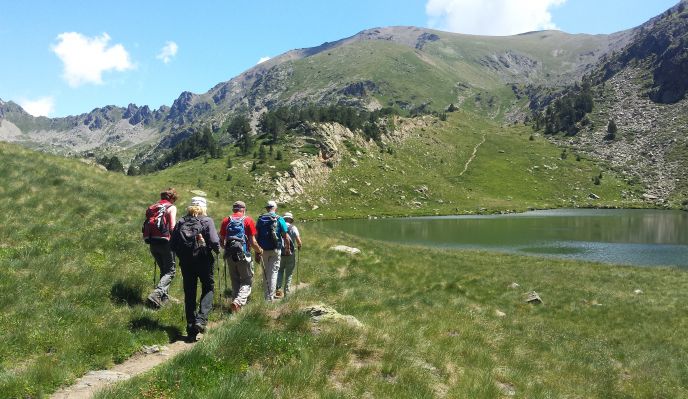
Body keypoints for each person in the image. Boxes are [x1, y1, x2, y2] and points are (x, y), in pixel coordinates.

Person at [170, 196, 220, 341]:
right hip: (203, 259)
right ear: (204, 207)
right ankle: (201, 320)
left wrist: (182, 255)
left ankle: (191, 328)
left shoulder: (181, 221)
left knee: (189, 292)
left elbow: (172, 245)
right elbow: (215, 241)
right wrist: (217, 251)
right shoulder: (207, 220)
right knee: (208, 287)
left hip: (186, 262)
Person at [219, 200, 263, 313]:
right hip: (243, 254)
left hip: (229, 255)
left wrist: (228, 249)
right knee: (247, 280)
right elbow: (253, 241)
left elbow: (221, 242)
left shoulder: (226, 220)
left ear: (234, 209)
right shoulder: (247, 220)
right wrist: (259, 250)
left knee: (235, 280)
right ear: (243, 209)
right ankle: (238, 302)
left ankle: (235, 307)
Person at [144, 188, 178, 309]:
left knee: (164, 271)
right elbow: (173, 227)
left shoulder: (153, 207)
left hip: (153, 242)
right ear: (172, 198)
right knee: (170, 271)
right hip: (166, 242)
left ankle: (164, 299)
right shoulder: (171, 207)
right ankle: (156, 294)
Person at [255, 200, 292, 301]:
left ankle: (266, 297)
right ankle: (270, 298)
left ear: (267, 208)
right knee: (274, 272)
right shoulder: (280, 219)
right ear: (275, 208)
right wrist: (288, 249)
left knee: (265, 273)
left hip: (262, 250)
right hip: (276, 250)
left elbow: (256, 236)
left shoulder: (260, 219)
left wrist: (256, 252)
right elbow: (286, 236)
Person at [275, 212, 302, 298]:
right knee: (289, 273)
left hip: (280, 253)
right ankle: (286, 292)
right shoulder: (293, 228)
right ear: (290, 219)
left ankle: (278, 289)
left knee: (279, 271)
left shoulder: (279, 227)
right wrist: (299, 246)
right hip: (290, 253)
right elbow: (298, 241)